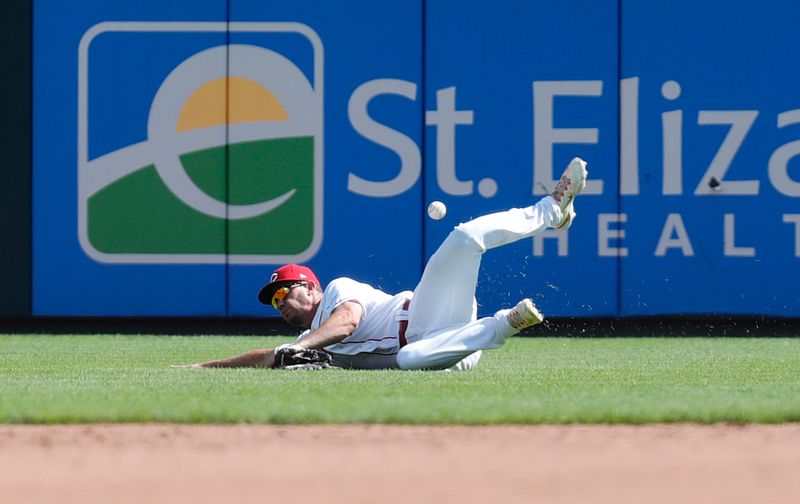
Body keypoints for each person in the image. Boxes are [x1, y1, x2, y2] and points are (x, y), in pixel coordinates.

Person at [179, 157, 588, 371]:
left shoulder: (337, 295)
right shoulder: (316, 348)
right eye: (274, 301)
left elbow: (347, 322)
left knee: (465, 237)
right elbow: (268, 355)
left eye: (286, 291)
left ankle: (551, 210)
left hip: (432, 312)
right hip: (449, 355)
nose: (281, 302)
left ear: (314, 287)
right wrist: (203, 366)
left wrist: (298, 346)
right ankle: (504, 324)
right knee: (407, 361)